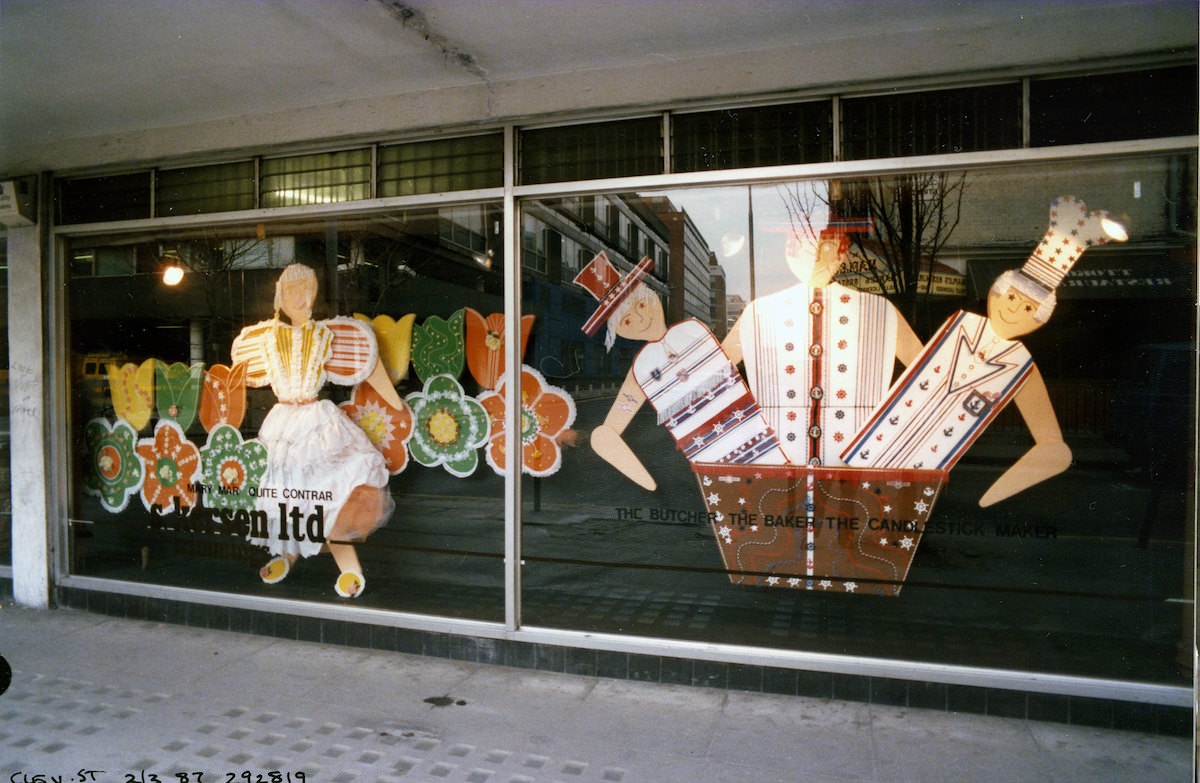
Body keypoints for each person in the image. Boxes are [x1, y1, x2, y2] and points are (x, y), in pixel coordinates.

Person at [843, 195, 1128, 506]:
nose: (1015, 309)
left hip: (924, 472)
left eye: (1029, 306)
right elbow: (913, 356)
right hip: (866, 449)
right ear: (997, 293)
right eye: (1012, 298)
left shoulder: (1022, 365)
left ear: (1040, 317)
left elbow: (1054, 448)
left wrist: (992, 496)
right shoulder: (960, 322)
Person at [231, 263, 402, 597]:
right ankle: (286, 555)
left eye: (307, 291)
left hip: (316, 421)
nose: (302, 298)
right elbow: (235, 380)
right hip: (282, 424)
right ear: (279, 297)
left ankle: (349, 567)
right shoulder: (263, 337)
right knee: (288, 496)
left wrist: (394, 402)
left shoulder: (327, 334)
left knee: (330, 496)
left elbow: (367, 361)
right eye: (293, 291)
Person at [575, 252, 787, 490]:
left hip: (753, 433)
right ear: (617, 332)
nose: (641, 318)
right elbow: (611, 427)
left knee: (775, 485)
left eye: (641, 304)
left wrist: (752, 319)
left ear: (652, 295)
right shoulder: (641, 367)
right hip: (707, 453)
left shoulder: (693, 330)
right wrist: (632, 467)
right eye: (625, 321)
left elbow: (727, 358)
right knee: (735, 496)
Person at [721, 228, 923, 466]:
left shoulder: (880, 311)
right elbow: (712, 372)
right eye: (802, 245)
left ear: (844, 252)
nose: (815, 257)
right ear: (788, 252)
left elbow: (930, 370)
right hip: (779, 461)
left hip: (856, 462)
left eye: (826, 247)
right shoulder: (758, 313)